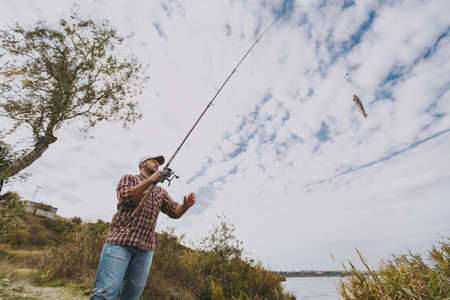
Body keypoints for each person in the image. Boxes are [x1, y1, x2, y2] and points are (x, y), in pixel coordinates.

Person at [91, 154, 196, 300]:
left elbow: (174, 212)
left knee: (131, 296)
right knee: (105, 293)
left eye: (158, 163)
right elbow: (125, 196)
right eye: (153, 161)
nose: (157, 165)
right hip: (119, 242)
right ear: (142, 164)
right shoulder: (129, 178)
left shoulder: (161, 192)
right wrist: (149, 181)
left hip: (145, 249)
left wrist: (185, 206)